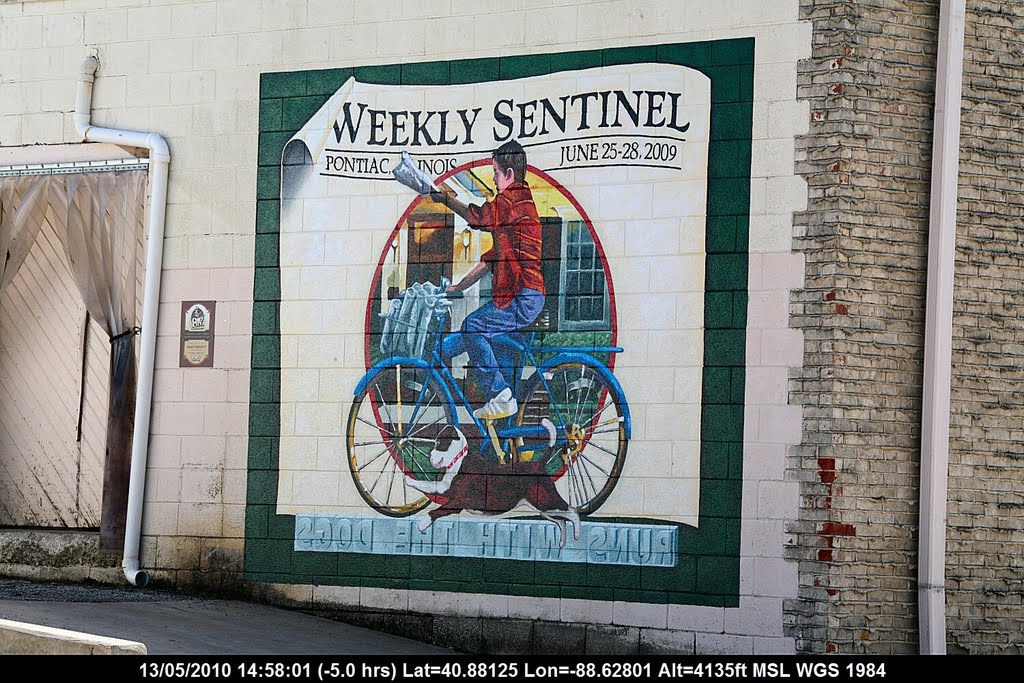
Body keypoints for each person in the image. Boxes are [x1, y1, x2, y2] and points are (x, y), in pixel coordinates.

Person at [431, 140, 545, 420]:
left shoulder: (512, 201)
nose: (494, 179)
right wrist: (458, 288)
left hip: (523, 297)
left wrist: (444, 199)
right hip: (522, 296)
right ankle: (503, 442)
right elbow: (489, 260)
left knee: (472, 326)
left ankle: (499, 395)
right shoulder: (516, 208)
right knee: (468, 344)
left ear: (508, 173)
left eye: (495, 173)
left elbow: (478, 216)